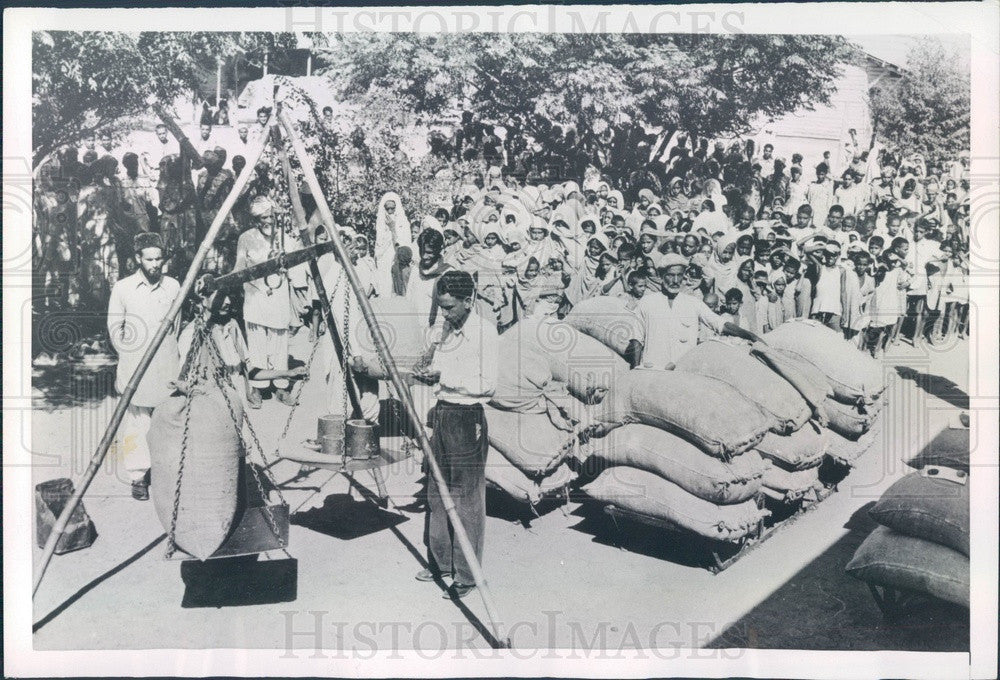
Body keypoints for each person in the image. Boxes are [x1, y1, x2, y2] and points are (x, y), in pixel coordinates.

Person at [412, 270, 498, 600]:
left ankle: (466, 575)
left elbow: (487, 384)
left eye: (450, 307)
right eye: (441, 306)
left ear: (468, 301)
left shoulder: (485, 333)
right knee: (437, 492)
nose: (445, 313)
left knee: (466, 499)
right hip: (443, 412)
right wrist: (425, 364)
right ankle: (441, 563)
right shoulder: (444, 329)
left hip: (467, 416)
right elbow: (429, 358)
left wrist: (442, 377)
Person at [106, 233, 180, 500]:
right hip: (136, 368)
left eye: (158, 258)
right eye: (149, 259)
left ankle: (168, 473)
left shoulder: (173, 286)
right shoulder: (123, 288)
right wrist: (129, 358)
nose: (154, 264)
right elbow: (116, 329)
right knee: (138, 424)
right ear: (138, 259)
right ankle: (138, 476)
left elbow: (177, 327)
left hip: (167, 367)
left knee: (169, 420)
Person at [632, 253, 759, 370]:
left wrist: (750, 335)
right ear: (661, 275)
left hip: (684, 372)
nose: (675, 281)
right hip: (653, 371)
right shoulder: (646, 302)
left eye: (679, 275)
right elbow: (636, 341)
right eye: (671, 275)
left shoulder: (693, 303)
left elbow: (720, 324)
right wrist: (634, 371)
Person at [235, 196, 295, 405]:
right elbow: (239, 267)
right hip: (255, 295)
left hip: (278, 295)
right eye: (264, 218)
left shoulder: (284, 237)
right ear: (255, 220)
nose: (269, 221)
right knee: (257, 342)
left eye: (272, 217)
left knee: (280, 341)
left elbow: (295, 265)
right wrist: (256, 285)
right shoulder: (246, 238)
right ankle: (258, 387)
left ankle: (281, 386)